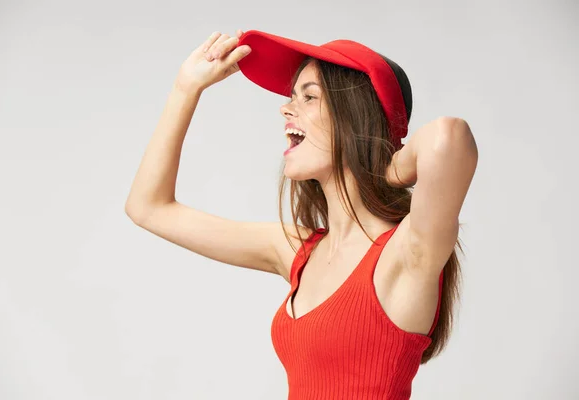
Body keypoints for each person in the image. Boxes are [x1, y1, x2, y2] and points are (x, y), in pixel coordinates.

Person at [125, 29, 478, 399]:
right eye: (292, 96)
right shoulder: (298, 251)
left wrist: (384, 167)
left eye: (309, 96)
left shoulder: (407, 254)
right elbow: (148, 208)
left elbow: (448, 138)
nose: (285, 107)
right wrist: (186, 89)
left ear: (355, 120)